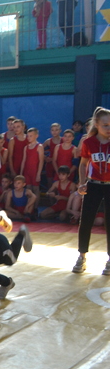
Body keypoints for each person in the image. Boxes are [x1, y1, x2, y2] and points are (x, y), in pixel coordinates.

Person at [73, 107, 110, 274]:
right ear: (97, 124)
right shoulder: (89, 142)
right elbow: (83, 164)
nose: (109, 129)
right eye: (105, 125)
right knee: (86, 221)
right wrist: (82, 183)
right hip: (93, 185)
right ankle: (82, 256)